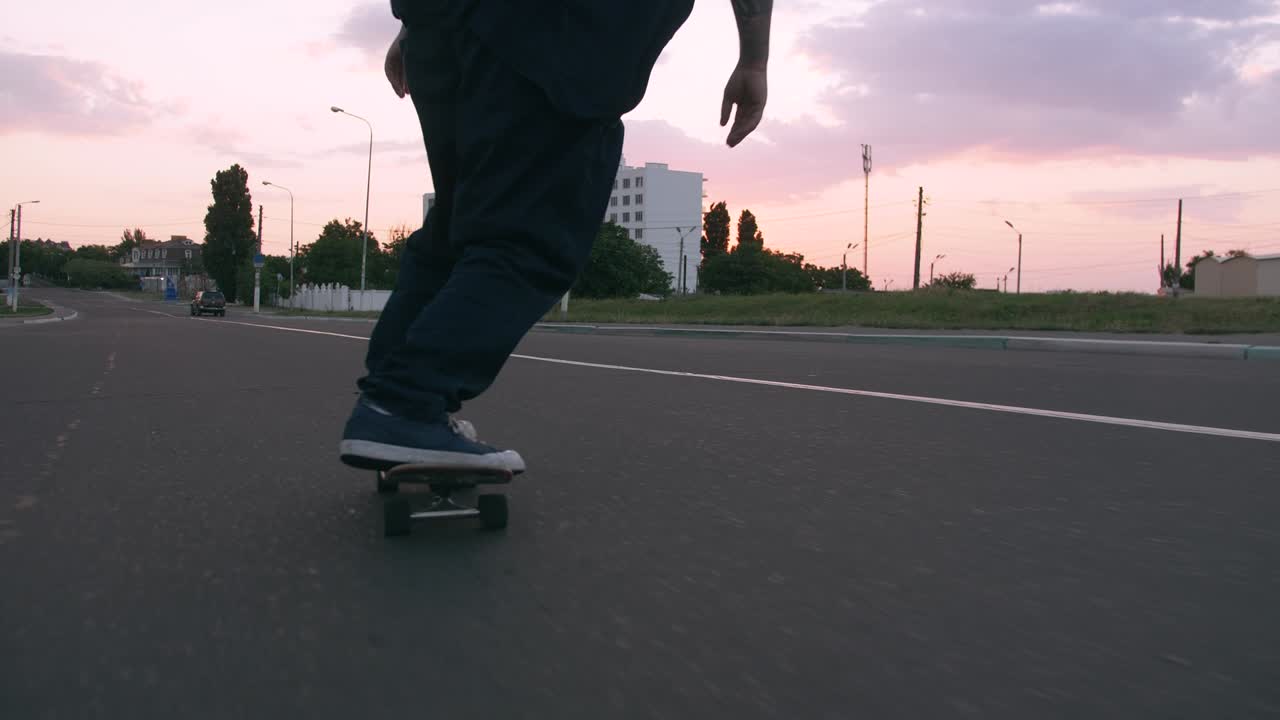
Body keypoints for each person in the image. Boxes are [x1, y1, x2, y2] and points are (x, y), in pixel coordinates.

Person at [340, 0, 772, 473]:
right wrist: (754, 59)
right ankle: (404, 405)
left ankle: (389, 404)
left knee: (457, 225)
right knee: (528, 238)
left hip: (438, 26)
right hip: (556, 29)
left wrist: (415, 30)